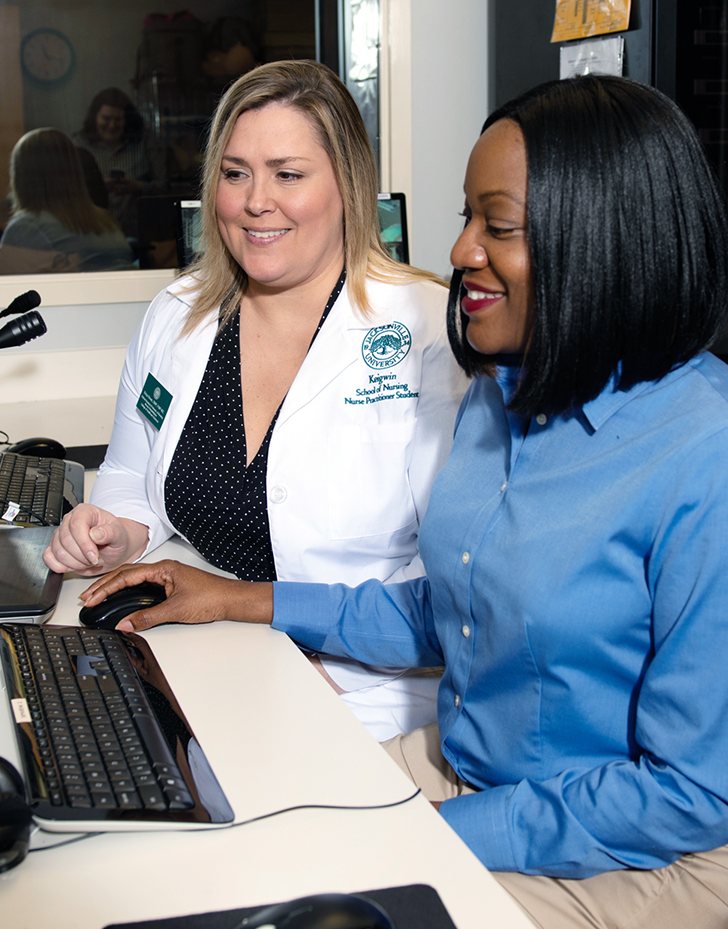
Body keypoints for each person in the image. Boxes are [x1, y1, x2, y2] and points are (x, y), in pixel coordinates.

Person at [77, 75, 728, 929]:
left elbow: (691, 792)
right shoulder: (508, 392)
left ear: (603, 239)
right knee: (222, 859)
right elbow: (451, 610)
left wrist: (427, 830)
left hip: (644, 843)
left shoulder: (702, 455)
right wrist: (240, 600)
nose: (459, 250)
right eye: (467, 217)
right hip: (477, 770)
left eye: (497, 225)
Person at [45, 60, 468, 741]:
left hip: (363, 691)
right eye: (235, 172)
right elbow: (129, 472)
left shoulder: (428, 333)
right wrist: (117, 530)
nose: (254, 200)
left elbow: (454, 585)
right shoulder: (178, 314)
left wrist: (326, 670)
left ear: (348, 184)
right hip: (213, 659)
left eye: (287, 174)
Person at [0, 128, 133, 274]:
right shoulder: (106, 222)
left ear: (21, 177)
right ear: (73, 169)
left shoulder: (25, 228)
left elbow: (2, 291)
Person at [72, 88, 159, 239]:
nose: (112, 125)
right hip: (92, 234)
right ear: (95, 118)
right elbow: (67, 190)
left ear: (128, 120)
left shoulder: (144, 144)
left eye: (118, 119)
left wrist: (138, 186)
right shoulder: (78, 145)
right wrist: (96, 187)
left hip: (140, 234)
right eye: (106, 118)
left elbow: (165, 187)